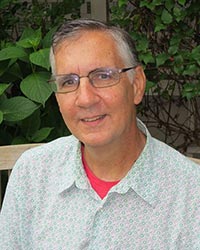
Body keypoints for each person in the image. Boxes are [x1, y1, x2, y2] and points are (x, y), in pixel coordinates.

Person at [0, 19, 200, 250]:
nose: (85, 99)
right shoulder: (33, 174)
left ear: (137, 85)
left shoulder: (191, 194)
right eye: (68, 81)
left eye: (103, 76)